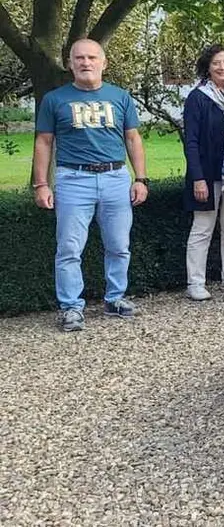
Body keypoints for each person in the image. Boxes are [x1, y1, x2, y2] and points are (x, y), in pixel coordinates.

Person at [32, 39, 149, 331]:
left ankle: (115, 298)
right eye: (79, 58)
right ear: (70, 63)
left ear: (104, 63)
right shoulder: (54, 100)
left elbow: (133, 138)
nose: (86, 63)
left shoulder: (120, 97)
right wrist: (41, 184)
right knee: (70, 248)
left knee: (119, 245)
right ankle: (71, 307)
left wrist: (140, 178)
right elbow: (44, 142)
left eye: (92, 57)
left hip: (115, 178)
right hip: (73, 179)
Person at [182, 44, 224, 301]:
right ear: (208, 67)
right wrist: (198, 177)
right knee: (203, 227)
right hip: (208, 173)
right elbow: (192, 141)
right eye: (217, 63)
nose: (223, 67)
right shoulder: (198, 97)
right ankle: (195, 282)